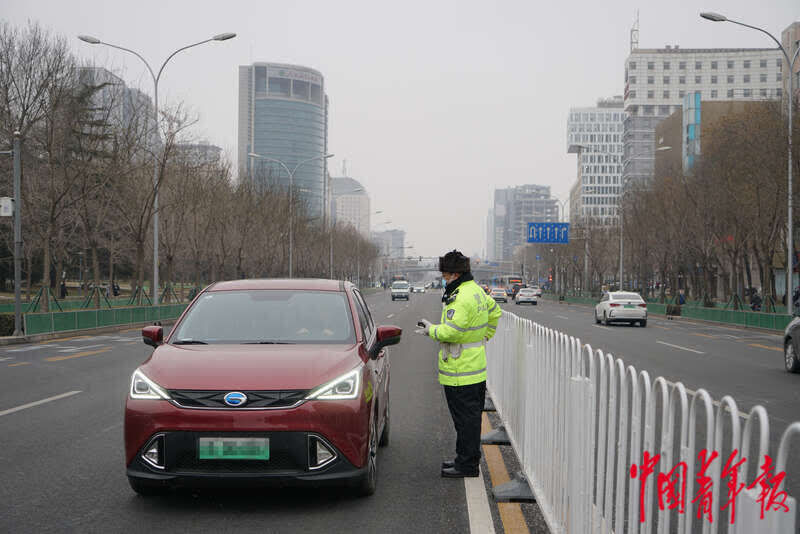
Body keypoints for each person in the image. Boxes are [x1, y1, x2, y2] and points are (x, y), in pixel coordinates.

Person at [415, 250, 502, 478]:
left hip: (460, 370)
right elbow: (496, 311)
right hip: (473, 368)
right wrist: (484, 336)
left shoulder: (461, 297)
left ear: (454, 274)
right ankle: (463, 459)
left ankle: (467, 465)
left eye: (445, 275)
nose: (443, 279)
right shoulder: (477, 292)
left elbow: (451, 331)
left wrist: (429, 329)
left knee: (465, 422)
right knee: (469, 419)